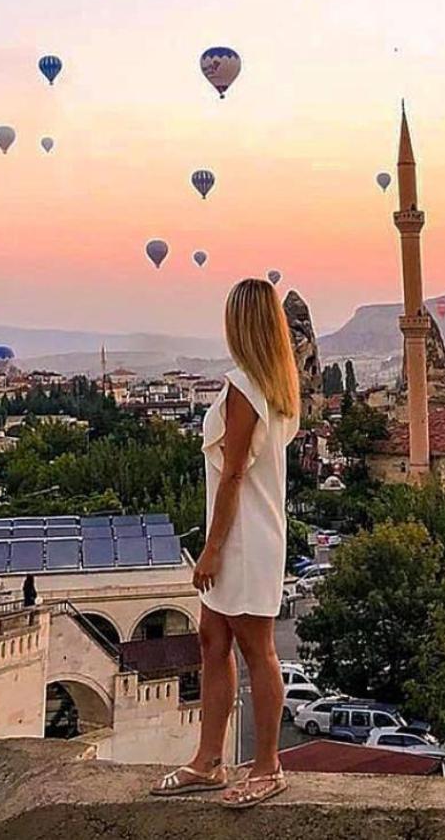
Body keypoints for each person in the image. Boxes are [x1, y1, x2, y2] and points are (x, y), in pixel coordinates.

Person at [152, 278, 300, 809]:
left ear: (240, 324)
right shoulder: (274, 386)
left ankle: (268, 767)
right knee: (212, 639)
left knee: (258, 649)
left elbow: (234, 474)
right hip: (247, 531)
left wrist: (211, 550)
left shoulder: (246, 387)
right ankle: (208, 761)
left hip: (242, 539)